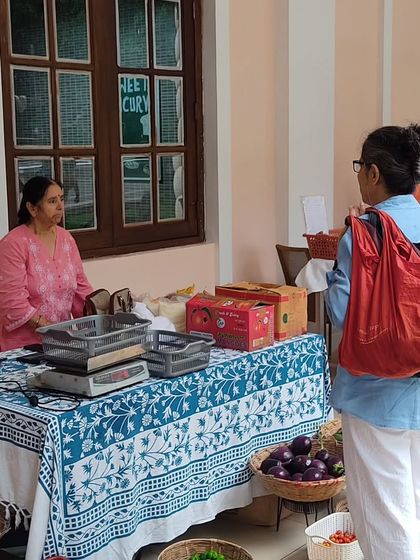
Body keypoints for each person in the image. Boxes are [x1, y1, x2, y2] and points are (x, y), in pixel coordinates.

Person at [325, 124, 420, 560]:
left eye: (361, 167)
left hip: (374, 393)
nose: (359, 174)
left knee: (385, 518)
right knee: (412, 505)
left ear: (375, 173)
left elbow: (346, 316)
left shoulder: (365, 234)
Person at [0, 176, 93, 351]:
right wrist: (52, 329)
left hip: (63, 344)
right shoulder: (13, 244)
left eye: (62, 199)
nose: (60, 206)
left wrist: (105, 309)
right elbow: (12, 302)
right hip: (23, 349)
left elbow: (81, 288)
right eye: (52, 201)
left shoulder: (66, 238)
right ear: (32, 208)